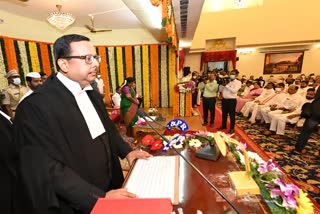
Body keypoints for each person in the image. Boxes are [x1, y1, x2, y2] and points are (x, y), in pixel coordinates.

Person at [14, 34, 151, 214]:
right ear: (64, 64)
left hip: (111, 184)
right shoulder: (34, 106)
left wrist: (127, 151)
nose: (95, 63)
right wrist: (97, 199)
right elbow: (46, 167)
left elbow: (108, 129)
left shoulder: (91, 93)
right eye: (87, 58)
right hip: (80, 200)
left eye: (95, 57)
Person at [295, 86, 320, 153]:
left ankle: (298, 149)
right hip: (316, 112)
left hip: (316, 112)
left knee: (305, 132)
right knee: (305, 132)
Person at [218, 70, 242, 134]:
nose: (231, 75)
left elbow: (234, 91)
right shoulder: (227, 81)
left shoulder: (238, 82)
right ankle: (223, 125)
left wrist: (226, 85)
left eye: (233, 74)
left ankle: (232, 128)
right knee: (224, 114)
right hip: (224, 100)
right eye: (230, 74)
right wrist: (221, 84)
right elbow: (220, 90)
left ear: (236, 75)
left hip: (232, 101)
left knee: (232, 115)